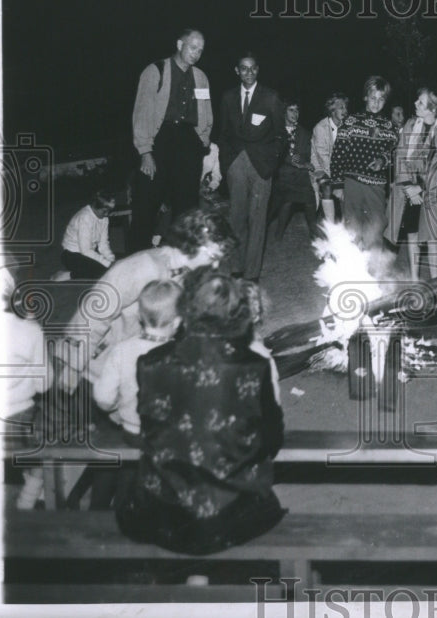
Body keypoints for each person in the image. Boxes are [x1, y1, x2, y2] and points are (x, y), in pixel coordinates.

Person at [115, 267, 285, 555]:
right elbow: (271, 440)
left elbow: (151, 430)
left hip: (161, 511)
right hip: (226, 514)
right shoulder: (254, 366)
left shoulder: (150, 361)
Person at [62, 209, 235, 389]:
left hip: (130, 364)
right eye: (213, 257)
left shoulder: (186, 275)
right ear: (194, 244)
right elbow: (94, 312)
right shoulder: (145, 266)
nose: (215, 265)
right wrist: (72, 367)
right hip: (95, 367)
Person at [130, 29, 213, 253]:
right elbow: (142, 113)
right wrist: (146, 152)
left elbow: (206, 113)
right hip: (160, 140)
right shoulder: (155, 71)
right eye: (192, 47)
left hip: (189, 143)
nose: (196, 53)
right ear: (179, 44)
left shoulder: (201, 77)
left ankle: (183, 260)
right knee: (147, 205)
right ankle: (138, 259)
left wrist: (202, 140)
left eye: (201, 50)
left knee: (187, 208)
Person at [217, 52, 284, 282]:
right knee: (236, 218)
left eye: (253, 68)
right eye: (243, 68)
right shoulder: (227, 98)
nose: (248, 73)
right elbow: (223, 134)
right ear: (237, 71)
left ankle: (252, 274)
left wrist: (271, 163)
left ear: (258, 70)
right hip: (236, 164)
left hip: (261, 167)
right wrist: (228, 164)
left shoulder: (271, 97)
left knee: (258, 220)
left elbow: (280, 136)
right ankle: (236, 267)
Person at [92, 280, 183, 440]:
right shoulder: (183, 352)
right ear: (177, 321)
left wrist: (119, 406)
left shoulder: (121, 350)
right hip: (171, 434)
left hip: (132, 430)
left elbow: (103, 398)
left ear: (139, 315)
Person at [385, 87, 437, 281]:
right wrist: (409, 186)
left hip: (433, 191)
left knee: (432, 238)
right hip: (409, 189)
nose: (415, 104)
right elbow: (400, 154)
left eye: (421, 103)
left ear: (432, 109)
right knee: (412, 234)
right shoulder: (410, 124)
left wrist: (422, 187)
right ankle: (415, 280)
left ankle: (435, 282)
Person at [0, 269, 54, 510]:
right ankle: (28, 502)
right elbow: (45, 383)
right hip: (20, 415)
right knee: (43, 456)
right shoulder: (29, 330)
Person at [329, 76, 396, 249]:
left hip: (377, 185)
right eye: (373, 98)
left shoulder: (390, 126)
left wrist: (383, 160)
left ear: (385, 101)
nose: (376, 102)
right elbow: (338, 153)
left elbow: (394, 152)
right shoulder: (350, 122)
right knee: (352, 228)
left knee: (376, 225)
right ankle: (351, 268)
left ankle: (373, 270)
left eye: (381, 99)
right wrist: (337, 184)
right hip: (352, 183)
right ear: (365, 97)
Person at [270, 101, 318, 241]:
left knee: (310, 199)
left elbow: (308, 153)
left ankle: (313, 232)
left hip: (300, 172)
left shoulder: (304, 133)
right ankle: (279, 233)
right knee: (287, 200)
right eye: (291, 110)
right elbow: (274, 153)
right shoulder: (276, 131)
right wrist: (291, 160)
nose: (295, 114)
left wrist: (304, 163)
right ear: (284, 112)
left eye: (297, 110)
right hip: (282, 171)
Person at [61, 190, 117, 279]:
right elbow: (85, 250)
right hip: (71, 255)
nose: (107, 214)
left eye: (109, 211)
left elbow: (103, 244)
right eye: (104, 211)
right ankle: (69, 275)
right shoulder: (84, 218)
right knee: (102, 273)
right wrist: (108, 264)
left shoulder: (104, 218)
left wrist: (112, 259)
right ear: (95, 206)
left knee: (115, 266)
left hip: (89, 252)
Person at [311, 91, 348, 224]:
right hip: (320, 167)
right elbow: (323, 158)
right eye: (341, 107)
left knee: (350, 187)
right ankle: (330, 224)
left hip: (339, 169)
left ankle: (346, 225)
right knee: (327, 186)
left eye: (346, 107)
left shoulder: (347, 127)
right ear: (332, 110)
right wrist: (338, 180)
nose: (345, 110)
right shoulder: (320, 128)